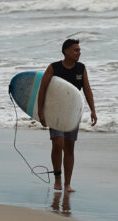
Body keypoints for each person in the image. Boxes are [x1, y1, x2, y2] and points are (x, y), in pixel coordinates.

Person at [37, 38, 97, 192]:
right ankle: (58, 179)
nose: (79, 52)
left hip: (72, 112)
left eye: (79, 50)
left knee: (69, 147)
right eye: (76, 50)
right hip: (56, 111)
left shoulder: (81, 68)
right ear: (66, 51)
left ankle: (67, 183)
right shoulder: (54, 68)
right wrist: (40, 110)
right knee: (58, 144)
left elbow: (87, 90)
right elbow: (43, 88)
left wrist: (93, 110)